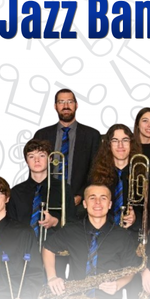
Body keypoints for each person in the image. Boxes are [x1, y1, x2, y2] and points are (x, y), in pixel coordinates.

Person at [42, 182, 142, 299]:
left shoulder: (122, 236)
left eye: (103, 198)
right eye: (92, 198)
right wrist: (52, 277)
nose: (98, 202)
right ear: (84, 203)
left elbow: (131, 269)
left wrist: (118, 284)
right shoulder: (71, 230)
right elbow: (47, 248)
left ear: (110, 204)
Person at [33, 88, 101, 221]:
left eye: (70, 102)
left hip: (80, 204)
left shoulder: (92, 135)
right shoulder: (41, 135)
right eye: (61, 102)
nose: (66, 106)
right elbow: (35, 170)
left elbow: (96, 171)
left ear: (76, 105)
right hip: (48, 202)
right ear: (55, 106)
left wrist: (82, 195)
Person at [88, 124, 150, 231]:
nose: (120, 145)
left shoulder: (144, 176)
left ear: (131, 144)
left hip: (131, 236)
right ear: (108, 145)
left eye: (125, 140)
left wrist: (136, 219)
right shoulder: (96, 176)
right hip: (103, 235)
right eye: (115, 141)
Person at [7, 139, 61, 238]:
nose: (36, 160)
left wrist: (55, 222)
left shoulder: (63, 189)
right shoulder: (16, 192)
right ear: (27, 161)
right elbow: (9, 225)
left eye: (42, 155)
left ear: (50, 159)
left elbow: (74, 223)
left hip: (54, 249)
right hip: (22, 249)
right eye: (31, 156)